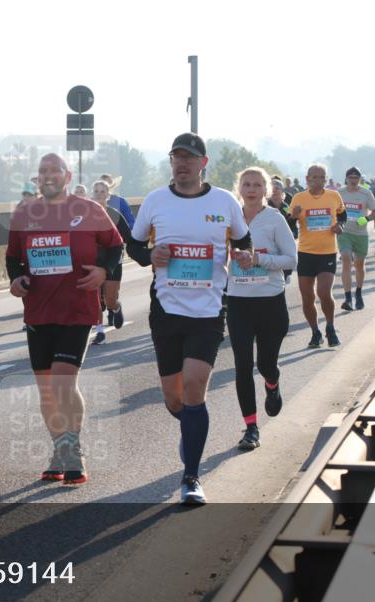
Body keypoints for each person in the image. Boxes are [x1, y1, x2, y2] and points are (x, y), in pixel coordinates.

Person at [127, 132, 252, 504]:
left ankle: (191, 477)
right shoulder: (155, 201)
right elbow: (133, 245)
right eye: (175, 158)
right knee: (175, 399)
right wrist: (151, 256)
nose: (181, 164)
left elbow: (242, 242)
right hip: (166, 311)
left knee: (195, 387)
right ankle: (191, 430)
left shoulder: (224, 201)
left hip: (208, 311)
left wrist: (243, 256)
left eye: (188, 157)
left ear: (203, 163)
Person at [6, 154, 124, 485]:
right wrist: (16, 280)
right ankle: (59, 449)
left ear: (67, 175)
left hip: (77, 310)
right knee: (47, 391)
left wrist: (104, 272)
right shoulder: (25, 214)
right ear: (37, 178)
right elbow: (13, 259)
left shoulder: (89, 210)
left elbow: (116, 247)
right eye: (42, 170)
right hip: (38, 311)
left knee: (63, 381)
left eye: (54, 170)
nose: (48, 175)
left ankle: (74, 450)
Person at [227, 167, 297, 451]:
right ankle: (251, 427)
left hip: (270, 302)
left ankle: (272, 382)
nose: (252, 188)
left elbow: (292, 259)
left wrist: (258, 260)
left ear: (266, 190)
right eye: (247, 184)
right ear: (239, 189)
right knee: (242, 366)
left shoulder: (274, 219)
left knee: (265, 364)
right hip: (239, 302)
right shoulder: (228, 222)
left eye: (257, 184)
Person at [289, 164, 346, 348]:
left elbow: (342, 215)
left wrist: (340, 226)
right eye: (315, 177)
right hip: (305, 252)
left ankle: (330, 326)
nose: (319, 181)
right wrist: (294, 216)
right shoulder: (299, 198)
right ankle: (315, 331)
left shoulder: (333, 196)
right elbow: (289, 223)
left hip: (327, 252)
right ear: (307, 179)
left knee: (323, 292)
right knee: (307, 297)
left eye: (322, 177)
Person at [91, 179, 133, 343]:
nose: (99, 194)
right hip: (93, 261)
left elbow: (128, 237)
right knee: (95, 300)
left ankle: (116, 308)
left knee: (109, 300)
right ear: (92, 194)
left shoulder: (115, 214)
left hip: (114, 261)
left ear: (108, 195)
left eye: (103, 191)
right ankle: (100, 332)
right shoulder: (85, 214)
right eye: (96, 191)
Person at [337, 167, 375, 311]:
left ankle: (359, 293)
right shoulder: (340, 193)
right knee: (346, 259)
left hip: (361, 234)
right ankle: (348, 298)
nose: (353, 180)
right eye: (351, 177)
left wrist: (366, 219)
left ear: (360, 179)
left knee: (359, 265)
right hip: (345, 232)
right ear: (346, 179)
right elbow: (333, 210)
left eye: (356, 177)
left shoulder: (366, 193)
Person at [268, 178, 297, 283]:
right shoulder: (265, 206)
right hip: (270, 242)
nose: (274, 191)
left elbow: (290, 225)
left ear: (282, 192)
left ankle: (286, 275)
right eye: (272, 189)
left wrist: (294, 218)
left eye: (277, 189)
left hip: (284, 241)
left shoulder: (286, 207)